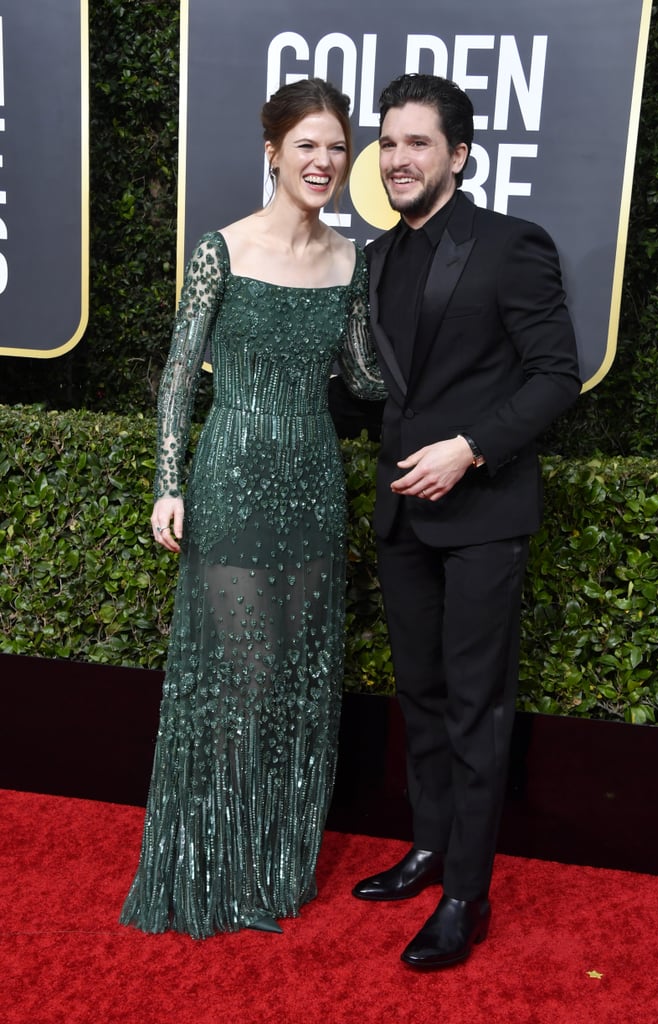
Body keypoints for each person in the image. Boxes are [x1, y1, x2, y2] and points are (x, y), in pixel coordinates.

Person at [120, 78, 385, 938]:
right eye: (306, 145)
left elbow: (367, 381)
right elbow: (175, 375)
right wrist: (168, 482)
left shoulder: (351, 259)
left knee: (298, 680)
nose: (322, 161)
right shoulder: (219, 251)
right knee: (243, 675)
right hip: (232, 471)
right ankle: (213, 860)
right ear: (272, 151)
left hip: (311, 476)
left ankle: (274, 857)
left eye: (336, 147)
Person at [351, 73, 582, 969]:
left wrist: (469, 449)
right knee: (422, 695)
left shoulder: (510, 245)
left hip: (481, 512)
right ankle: (428, 844)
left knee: (478, 706)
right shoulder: (373, 257)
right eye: (388, 141)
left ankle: (465, 897)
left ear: (458, 154)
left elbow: (553, 375)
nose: (398, 158)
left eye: (417, 142)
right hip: (401, 519)